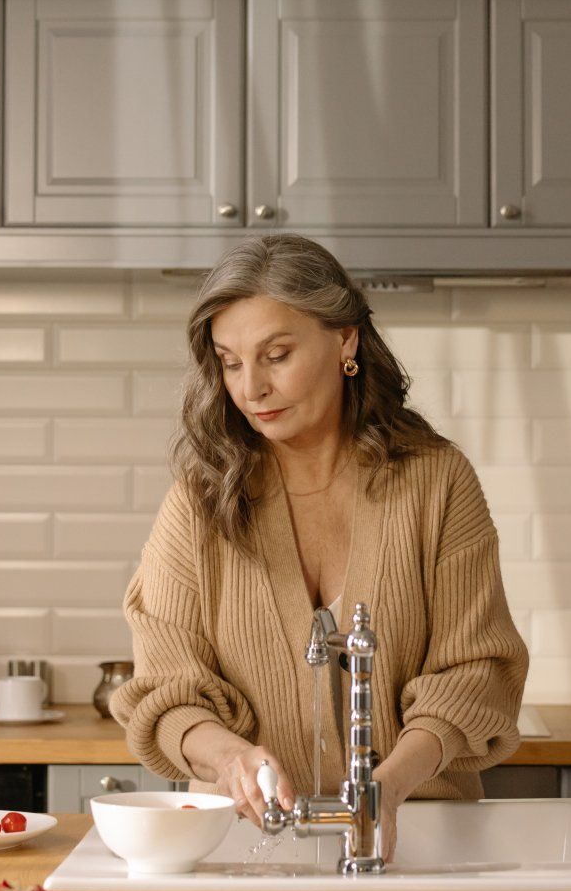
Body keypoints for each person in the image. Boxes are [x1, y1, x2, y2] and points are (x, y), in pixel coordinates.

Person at [111, 234, 528, 859]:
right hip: (246, 849)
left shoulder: (436, 482)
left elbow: (475, 674)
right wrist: (229, 758)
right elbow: (165, 691)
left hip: (420, 838)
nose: (251, 388)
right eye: (230, 362)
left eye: (276, 354)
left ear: (345, 339)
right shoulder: (201, 501)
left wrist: (385, 790)